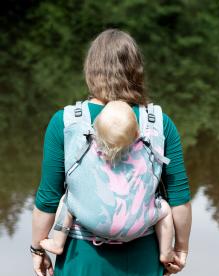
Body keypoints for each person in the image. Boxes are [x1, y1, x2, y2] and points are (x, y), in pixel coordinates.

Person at [31, 29, 192, 276]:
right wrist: (180, 249)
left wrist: (37, 248)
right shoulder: (159, 123)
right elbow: (179, 197)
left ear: (91, 70)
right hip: (143, 255)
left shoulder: (64, 122)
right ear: (136, 70)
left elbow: (48, 198)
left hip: (83, 260)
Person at [40, 100, 174, 264]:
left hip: (94, 223)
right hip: (138, 226)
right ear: (136, 133)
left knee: (67, 200)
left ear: (96, 132)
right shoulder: (144, 149)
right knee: (165, 210)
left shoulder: (92, 149)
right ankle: (166, 252)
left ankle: (57, 242)